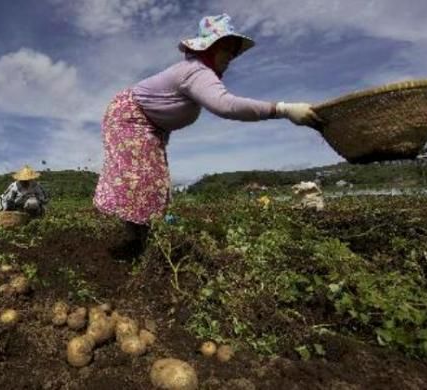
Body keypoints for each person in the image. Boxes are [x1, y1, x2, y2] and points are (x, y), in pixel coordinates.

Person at [93, 13, 323, 257]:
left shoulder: (197, 72)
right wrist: (283, 109)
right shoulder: (197, 71)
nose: (231, 58)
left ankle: (141, 242)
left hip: (142, 122)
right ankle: (139, 245)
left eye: (234, 53)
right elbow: (227, 105)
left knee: (151, 180)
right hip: (129, 118)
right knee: (143, 179)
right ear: (211, 48)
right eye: (227, 50)